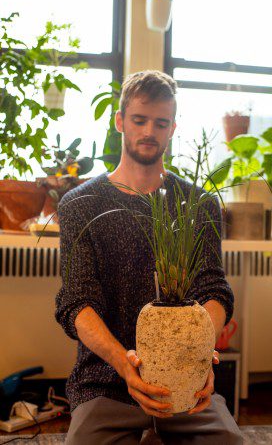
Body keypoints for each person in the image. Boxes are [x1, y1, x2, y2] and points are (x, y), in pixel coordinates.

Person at [55, 70, 243, 444]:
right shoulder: (78, 204)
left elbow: (215, 290)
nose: (149, 131)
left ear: (173, 128)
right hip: (105, 384)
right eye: (139, 120)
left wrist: (200, 357)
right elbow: (77, 303)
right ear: (120, 120)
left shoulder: (198, 204)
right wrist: (127, 368)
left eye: (160, 123)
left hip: (186, 387)